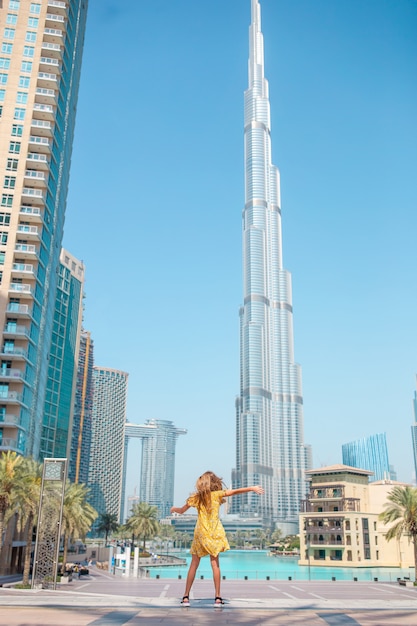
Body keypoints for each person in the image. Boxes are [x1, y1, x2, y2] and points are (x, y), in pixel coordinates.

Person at [170, 471, 264, 607]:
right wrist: (252, 488)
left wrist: (174, 509)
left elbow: (181, 510)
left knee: (194, 565)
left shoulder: (196, 497)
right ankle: (218, 598)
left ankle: (185, 597)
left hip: (201, 533)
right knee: (215, 564)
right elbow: (234, 492)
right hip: (214, 533)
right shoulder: (216, 495)